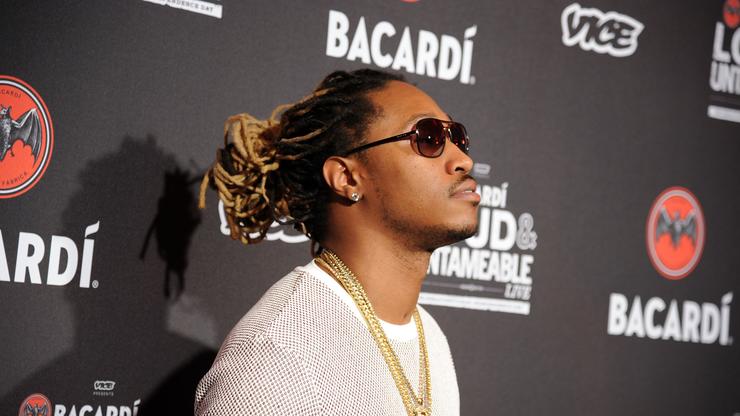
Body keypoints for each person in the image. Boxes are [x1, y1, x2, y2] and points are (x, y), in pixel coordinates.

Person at [195, 68, 480, 416]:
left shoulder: (429, 337)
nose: (464, 160)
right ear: (347, 178)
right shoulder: (276, 357)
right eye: (428, 137)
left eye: (457, 137)